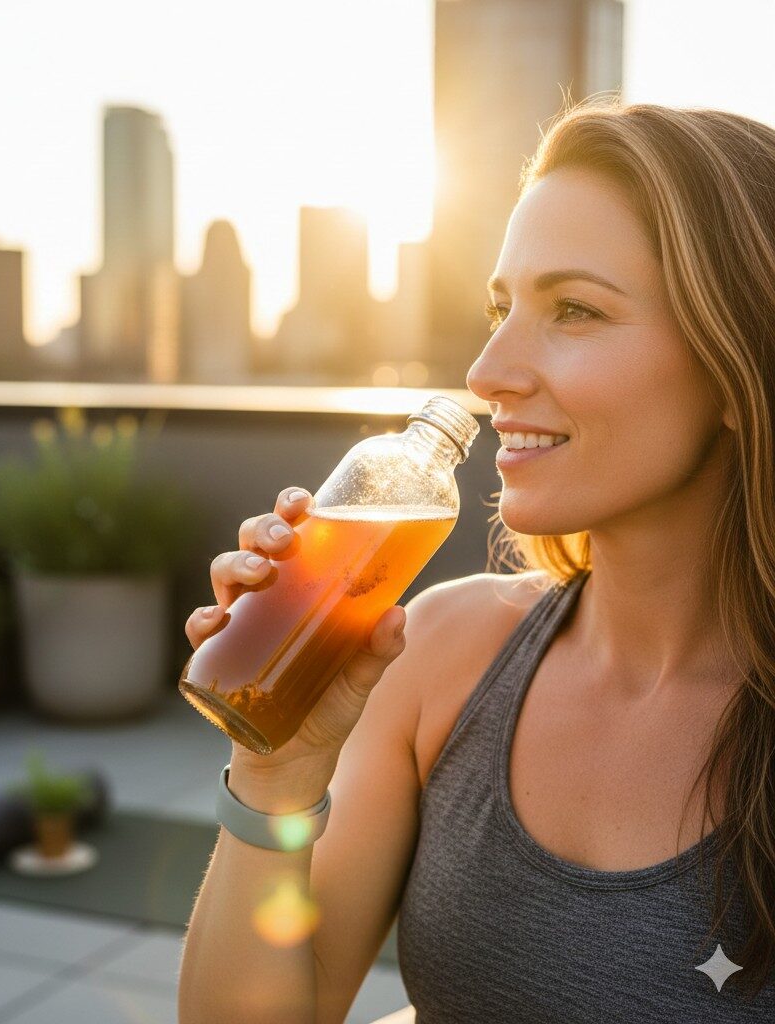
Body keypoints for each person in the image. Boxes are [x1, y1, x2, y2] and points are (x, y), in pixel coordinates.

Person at [177, 99, 775, 1023]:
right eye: (500, 309)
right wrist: (280, 773)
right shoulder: (441, 655)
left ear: (738, 365)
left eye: (574, 310)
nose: (490, 369)